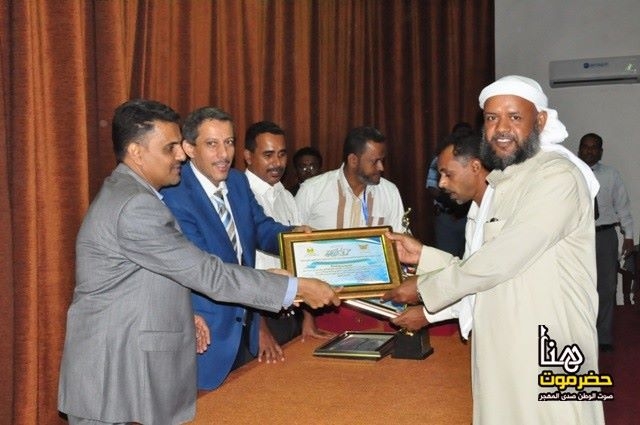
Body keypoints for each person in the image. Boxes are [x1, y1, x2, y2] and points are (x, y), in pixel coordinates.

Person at [57, 99, 339, 425]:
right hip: (112, 373)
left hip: (121, 365)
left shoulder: (132, 193)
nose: (180, 155)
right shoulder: (136, 206)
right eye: (170, 148)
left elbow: (150, 276)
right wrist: (293, 288)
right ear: (136, 152)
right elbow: (206, 272)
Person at [384, 76, 603, 424]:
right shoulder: (505, 181)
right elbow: (483, 263)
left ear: (540, 121)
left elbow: (504, 258)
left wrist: (425, 288)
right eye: (491, 118)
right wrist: (424, 256)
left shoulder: (558, 177)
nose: (501, 128)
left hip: (550, 343)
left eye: (514, 117)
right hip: (504, 342)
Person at [161, 108, 298, 390]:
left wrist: (298, 237)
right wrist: (278, 284)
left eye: (229, 142)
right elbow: (207, 268)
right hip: (206, 334)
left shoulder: (237, 181)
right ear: (189, 148)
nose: (224, 154)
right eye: (212, 144)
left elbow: (260, 228)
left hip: (246, 327)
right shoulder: (174, 195)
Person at [296, 126, 405, 332]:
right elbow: (295, 255)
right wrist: (306, 316)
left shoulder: (389, 192)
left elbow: (400, 250)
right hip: (324, 306)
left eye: (382, 160)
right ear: (353, 160)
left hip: (376, 306)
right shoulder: (312, 190)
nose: (381, 167)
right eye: (375, 161)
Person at [244, 121, 333, 346]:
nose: (277, 163)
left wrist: (308, 318)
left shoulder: (286, 196)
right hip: (258, 318)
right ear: (248, 156)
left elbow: (300, 259)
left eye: (282, 154)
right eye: (268, 155)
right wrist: (259, 329)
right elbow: (242, 268)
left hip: (291, 311)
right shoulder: (240, 195)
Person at [392, 134, 491, 335]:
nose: (442, 184)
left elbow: (480, 280)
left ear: (475, 167)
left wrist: (425, 302)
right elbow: (466, 271)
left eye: (448, 174)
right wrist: (421, 254)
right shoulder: (475, 210)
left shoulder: (503, 208)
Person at [578, 132, 634, 352]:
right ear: (579, 149)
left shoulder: (611, 175)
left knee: (607, 287)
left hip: (605, 236)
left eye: (594, 147)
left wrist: (628, 236)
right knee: (578, 286)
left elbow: (623, 207)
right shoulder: (569, 172)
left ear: (600, 152)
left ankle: (603, 336)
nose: (589, 150)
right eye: (585, 146)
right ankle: (581, 334)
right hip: (577, 237)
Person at [425, 122, 474, 258]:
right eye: (459, 134)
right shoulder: (440, 160)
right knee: (445, 257)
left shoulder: (478, 161)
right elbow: (432, 186)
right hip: (447, 217)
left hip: (468, 215)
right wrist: (452, 204)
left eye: (465, 134)